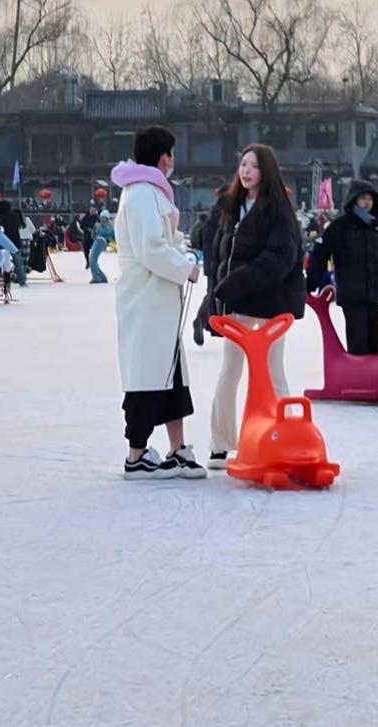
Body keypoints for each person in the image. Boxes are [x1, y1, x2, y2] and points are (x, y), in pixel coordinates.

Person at [111, 125, 205, 480]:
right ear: (164, 157)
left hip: (160, 303)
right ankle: (136, 455)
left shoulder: (151, 193)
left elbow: (169, 238)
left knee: (172, 376)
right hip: (147, 300)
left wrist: (184, 257)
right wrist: (186, 268)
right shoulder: (141, 194)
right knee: (147, 377)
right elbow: (152, 248)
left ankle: (177, 448)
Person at [207, 144, 305, 470]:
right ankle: (221, 443)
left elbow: (277, 260)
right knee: (229, 371)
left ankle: (288, 433)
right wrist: (215, 298)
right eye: (243, 165)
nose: (246, 171)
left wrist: (235, 284)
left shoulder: (279, 211)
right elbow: (219, 258)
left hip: (270, 306)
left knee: (273, 372)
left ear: (267, 172)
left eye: (254, 166)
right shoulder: (231, 208)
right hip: (236, 305)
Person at [306, 180, 378, 356]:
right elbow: (320, 254)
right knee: (358, 345)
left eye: (370, 199)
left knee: (373, 344)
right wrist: (310, 283)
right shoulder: (341, 226)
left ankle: (371, 380)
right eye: (362, 198)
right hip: (352, 294)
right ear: (354, 200)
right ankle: (358, 379)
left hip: (375, 293)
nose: (367, 202)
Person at [192, 185, 228, 346]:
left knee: (212, 292)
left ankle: (206, 322)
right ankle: (202, 320)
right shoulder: (226, 214)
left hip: (210, 262)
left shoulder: (212, 214)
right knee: (215, 293)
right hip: (220, 261)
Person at [0, 199, 27, 285]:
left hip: (4, 242)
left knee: (3, 262)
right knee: (18, 263)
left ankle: (6, 280)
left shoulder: (0, 218)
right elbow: (19, 226)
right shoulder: (15, 216)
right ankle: (22, 280)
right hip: (15, 241)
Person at [88, 210, 114, 284]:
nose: (103, 220)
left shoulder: (107, 227)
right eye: (102, 218)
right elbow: (93, 235)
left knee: (92, 260)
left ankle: (97, 278)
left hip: (100, 241)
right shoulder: (103, 226)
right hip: (98, 241)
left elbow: (106, 234)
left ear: (107, 219)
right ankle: (102, 277)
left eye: (104, 219)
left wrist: (96, 230)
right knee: (93, 260)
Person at [81, 205, 98, 269]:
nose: (92, 212)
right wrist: (87, 229)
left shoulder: (96, 217)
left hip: (94, 236)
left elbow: (100, 225)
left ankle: (93, 262)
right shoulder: (85, 217)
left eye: (93, 211)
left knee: (95, 250)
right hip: (87, 235)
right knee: (86, 248)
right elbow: (81, 226)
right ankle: (88, 262)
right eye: (91, 211)